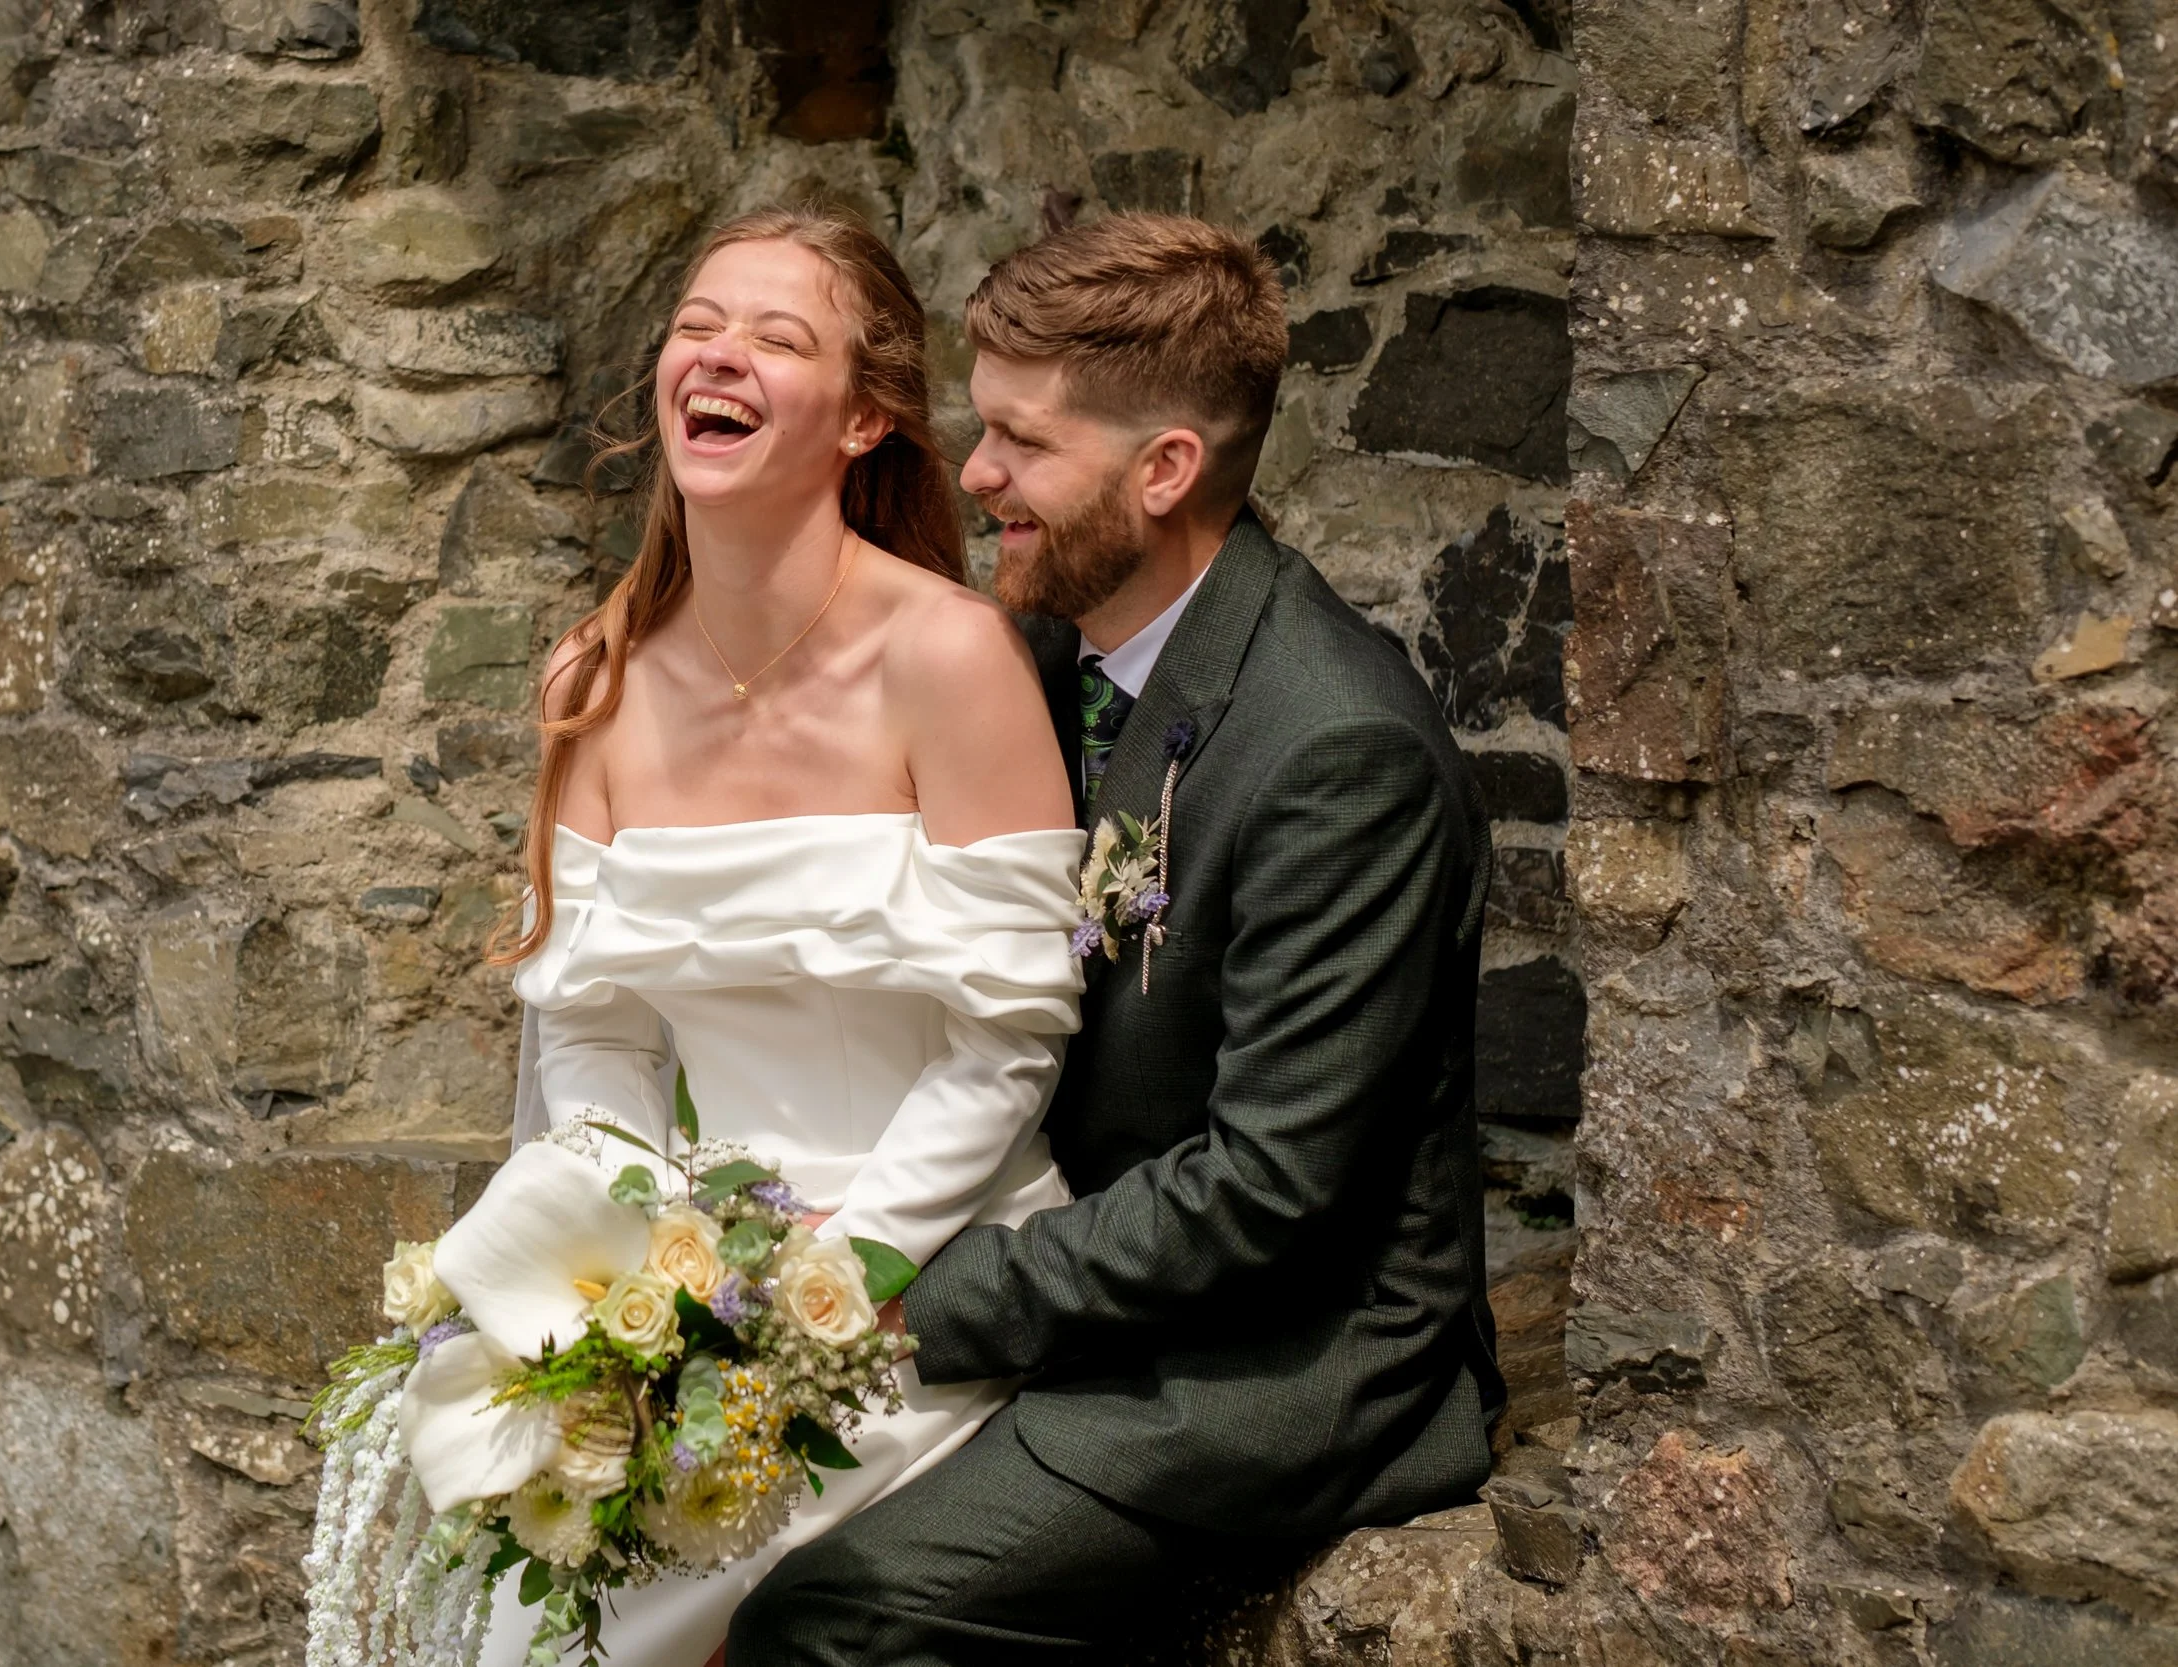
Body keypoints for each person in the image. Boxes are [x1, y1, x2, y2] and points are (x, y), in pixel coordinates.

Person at [727, 213, 1504, 1662]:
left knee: (830, 1611)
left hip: (1271, 1357)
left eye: (1024, 442)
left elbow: (1269, 1193)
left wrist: (910, 1297)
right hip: (1068, 1268)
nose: (977, 476)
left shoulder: (1338, 751)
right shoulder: (1038, 650)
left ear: (1165, 471)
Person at [467, 203, 1085, 1667]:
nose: (717, 353)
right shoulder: (595, 679)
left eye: (774, 335)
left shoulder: (952, 656)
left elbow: (1009, 1038)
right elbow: (594, 1027)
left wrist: (828, 1283)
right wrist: (648, 1274)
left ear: (867, 418)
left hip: (925, 1277)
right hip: (691, 1291)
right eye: (697, 323)